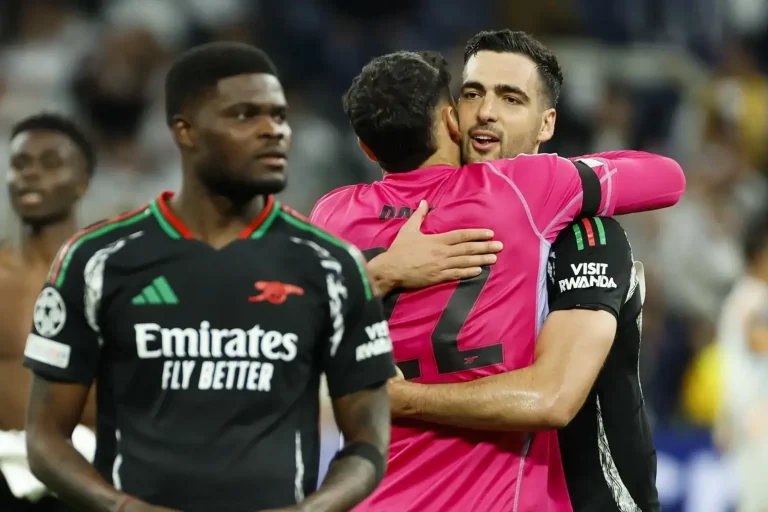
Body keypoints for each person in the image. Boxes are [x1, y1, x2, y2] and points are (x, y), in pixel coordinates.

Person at [23, 42, 396, 512]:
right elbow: (44, 438)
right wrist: (122, 508)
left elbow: (368, 442)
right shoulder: (96, 260)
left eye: (279, 116)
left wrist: (309, 511)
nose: (273, 131)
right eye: (245, 115)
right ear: (186, 131)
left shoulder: (332, 266)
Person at [310, 49, 684, 510]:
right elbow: (667, 178)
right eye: (471, 95)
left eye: (509, 99)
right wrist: (569, 170)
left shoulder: (331, 214)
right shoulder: (522, 187)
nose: (486, 112)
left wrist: (378, 274)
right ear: (451, 120)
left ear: (367, 149)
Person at [0, 113, 95, 512]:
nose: (31, 175)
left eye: (51, 163)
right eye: (20, 164)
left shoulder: (110, 277)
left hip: (90, 476)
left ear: (82, 182)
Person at [716, 213, 768, 512]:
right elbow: (759, 342)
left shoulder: (746, 295)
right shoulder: (752, 297)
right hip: (755, 420)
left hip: (748, 416)